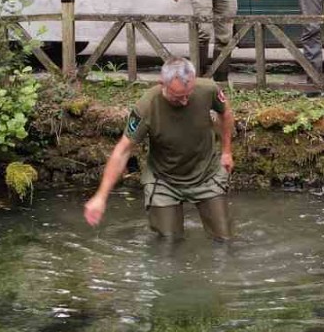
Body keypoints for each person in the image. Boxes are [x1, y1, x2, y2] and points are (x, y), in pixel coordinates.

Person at [84, 57, 235, 240]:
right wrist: (101, 196)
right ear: (162, 84)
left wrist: (226, 151)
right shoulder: (146, 106)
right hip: (164, 180)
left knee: (224, 239)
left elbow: (225, 112)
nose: (185, 102)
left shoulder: (208, 89)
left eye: (189, 94)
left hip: (207, 174)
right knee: (168, 242)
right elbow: (122, 150)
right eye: (178, 97)